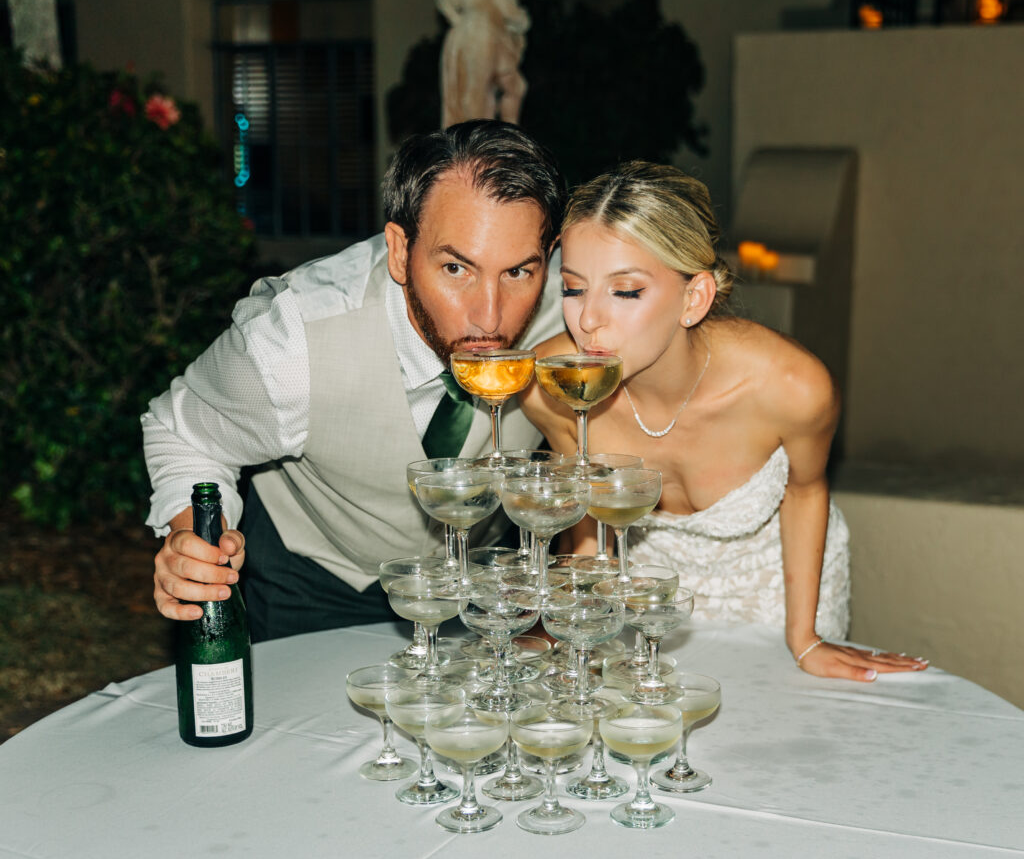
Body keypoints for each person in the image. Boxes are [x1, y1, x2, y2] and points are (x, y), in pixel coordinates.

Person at [144, 119, 567, 641]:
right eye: (457, 269)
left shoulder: (578, 305)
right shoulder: (295, 339)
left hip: (484, 571)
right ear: (399, 250)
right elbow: (181, 430)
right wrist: (189, 537)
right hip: (313, 577)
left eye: (518, 273)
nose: (490, 316)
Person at [520, 161, 928, 682]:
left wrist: (805, 639)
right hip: (642, 587)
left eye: (625, 291)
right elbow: (585, 526)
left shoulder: (793, 387)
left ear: (694, 298)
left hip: (776, 583)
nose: (587, 319)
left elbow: (805, 493)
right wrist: (563, 621)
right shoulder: (552, 386)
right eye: (574, 288)